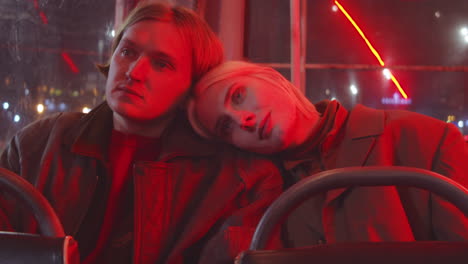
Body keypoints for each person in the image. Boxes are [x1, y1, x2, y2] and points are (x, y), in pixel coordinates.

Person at [0, 4, 283, 264]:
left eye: (162, 64)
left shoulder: (239, 179)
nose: (134, 72)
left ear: (195, 87)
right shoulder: (37, 145)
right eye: (127, 52)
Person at [187, 60, 468, 247]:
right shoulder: (257, 198)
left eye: (238, 96)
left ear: (271, 77)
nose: (243, 119)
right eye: (226, 127)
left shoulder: (427, 140)